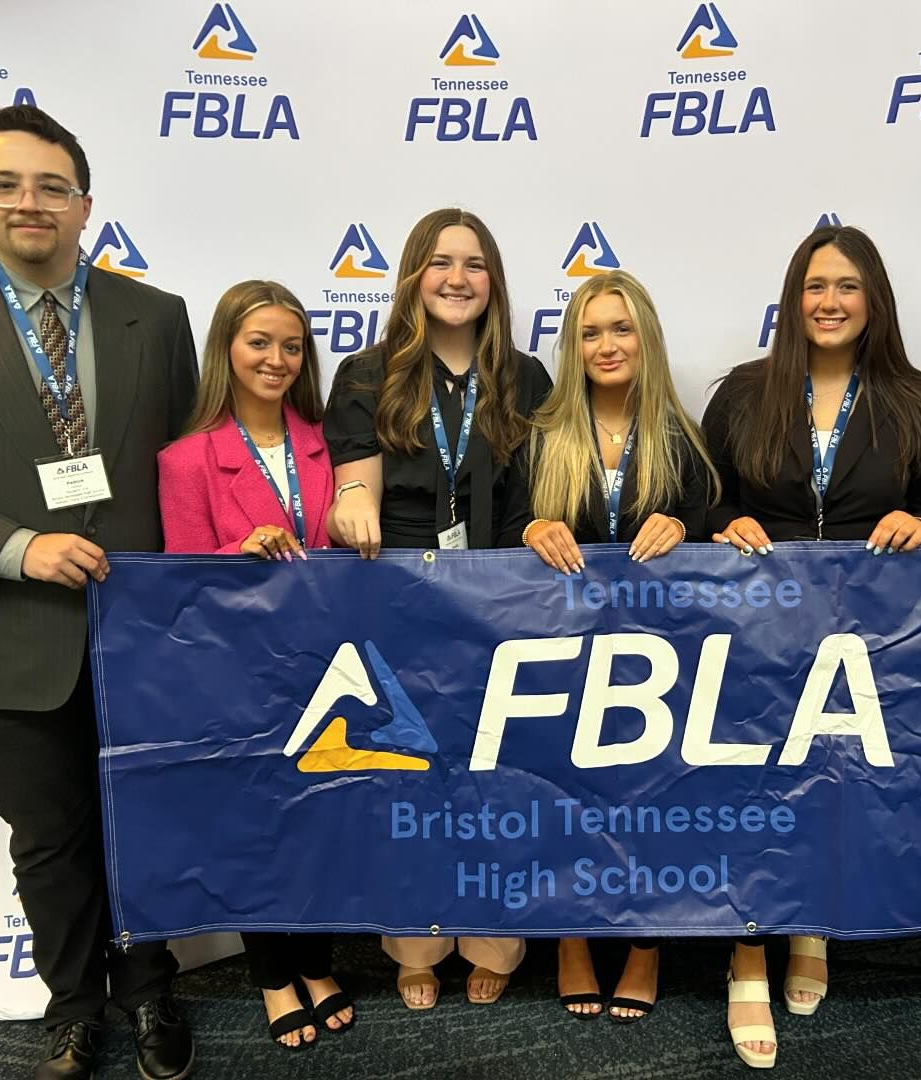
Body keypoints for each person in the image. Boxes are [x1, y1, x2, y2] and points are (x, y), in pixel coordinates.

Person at [701, 223, 921, 1068]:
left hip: (866, 634)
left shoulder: (917, 400)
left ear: (873, 299)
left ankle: (811, 924)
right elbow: (708, 503)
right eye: (815, 286)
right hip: (756, 627)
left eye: (847, 286)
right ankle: (746, 952)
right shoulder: (741, 394)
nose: (830, 302)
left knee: (835, 783)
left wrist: (920, 521)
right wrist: (721, 523)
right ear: (792, 298)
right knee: (751, 786)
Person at [0, 105, 197, 1080]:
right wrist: (17, 547)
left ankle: (153, 992)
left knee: (151, 822)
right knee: (49, 840)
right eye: (3, 184)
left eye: (49, 186)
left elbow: (192, 471)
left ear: (84, 206)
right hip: (14, 634)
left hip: (147, 633)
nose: (28, 202)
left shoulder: (154, 317)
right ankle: (74, 1009)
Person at [323, 207, 552, 1009]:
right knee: (410, 782)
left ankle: (494, 937)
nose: (458, 279)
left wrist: (541, 531)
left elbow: (532, 502)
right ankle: (415, 937)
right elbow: (353, 487)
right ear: (415, 274)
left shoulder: (527, 378)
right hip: (401, 608)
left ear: (493, 282)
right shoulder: (363, 373)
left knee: (496, 782)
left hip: (501, 611)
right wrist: (351, 505)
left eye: (475, 264)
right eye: (442, 263)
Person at [498, 269, 716, 1022]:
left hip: (658, 664)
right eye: (590, 332)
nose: (606, 345)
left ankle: (646, 945)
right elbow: (494, 541)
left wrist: (686, 528)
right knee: (566, 800)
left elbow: (720, 527)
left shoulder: (681, 435)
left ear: (645, 337)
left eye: (620, 329)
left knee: (652, 802)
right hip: (562, 657)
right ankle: (573, 940)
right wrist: (529, 528)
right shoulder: (540, 435)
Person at [157, 280, 353, 1050]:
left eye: (292, 346)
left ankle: (318, 957)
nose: (276, 360)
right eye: (259, 343)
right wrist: (235, 556)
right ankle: (272, 973)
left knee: (321, 820)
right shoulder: (186, 459)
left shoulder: (323, 440)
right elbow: (179, 584)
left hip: (321, 662)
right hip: (236, 672)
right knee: (257, 826)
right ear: (227, 351)